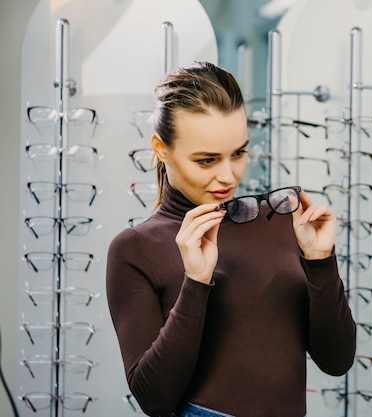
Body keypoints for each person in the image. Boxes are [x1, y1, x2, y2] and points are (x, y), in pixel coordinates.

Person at [105, 61, 356, 417]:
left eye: (238, 153)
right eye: (206, 160)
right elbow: (154, 399)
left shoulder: (279, 222)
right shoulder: (135, 249)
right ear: (161, 148)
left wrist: (321, 262)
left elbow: (337, 360)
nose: (228, 176)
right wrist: (196, 282)